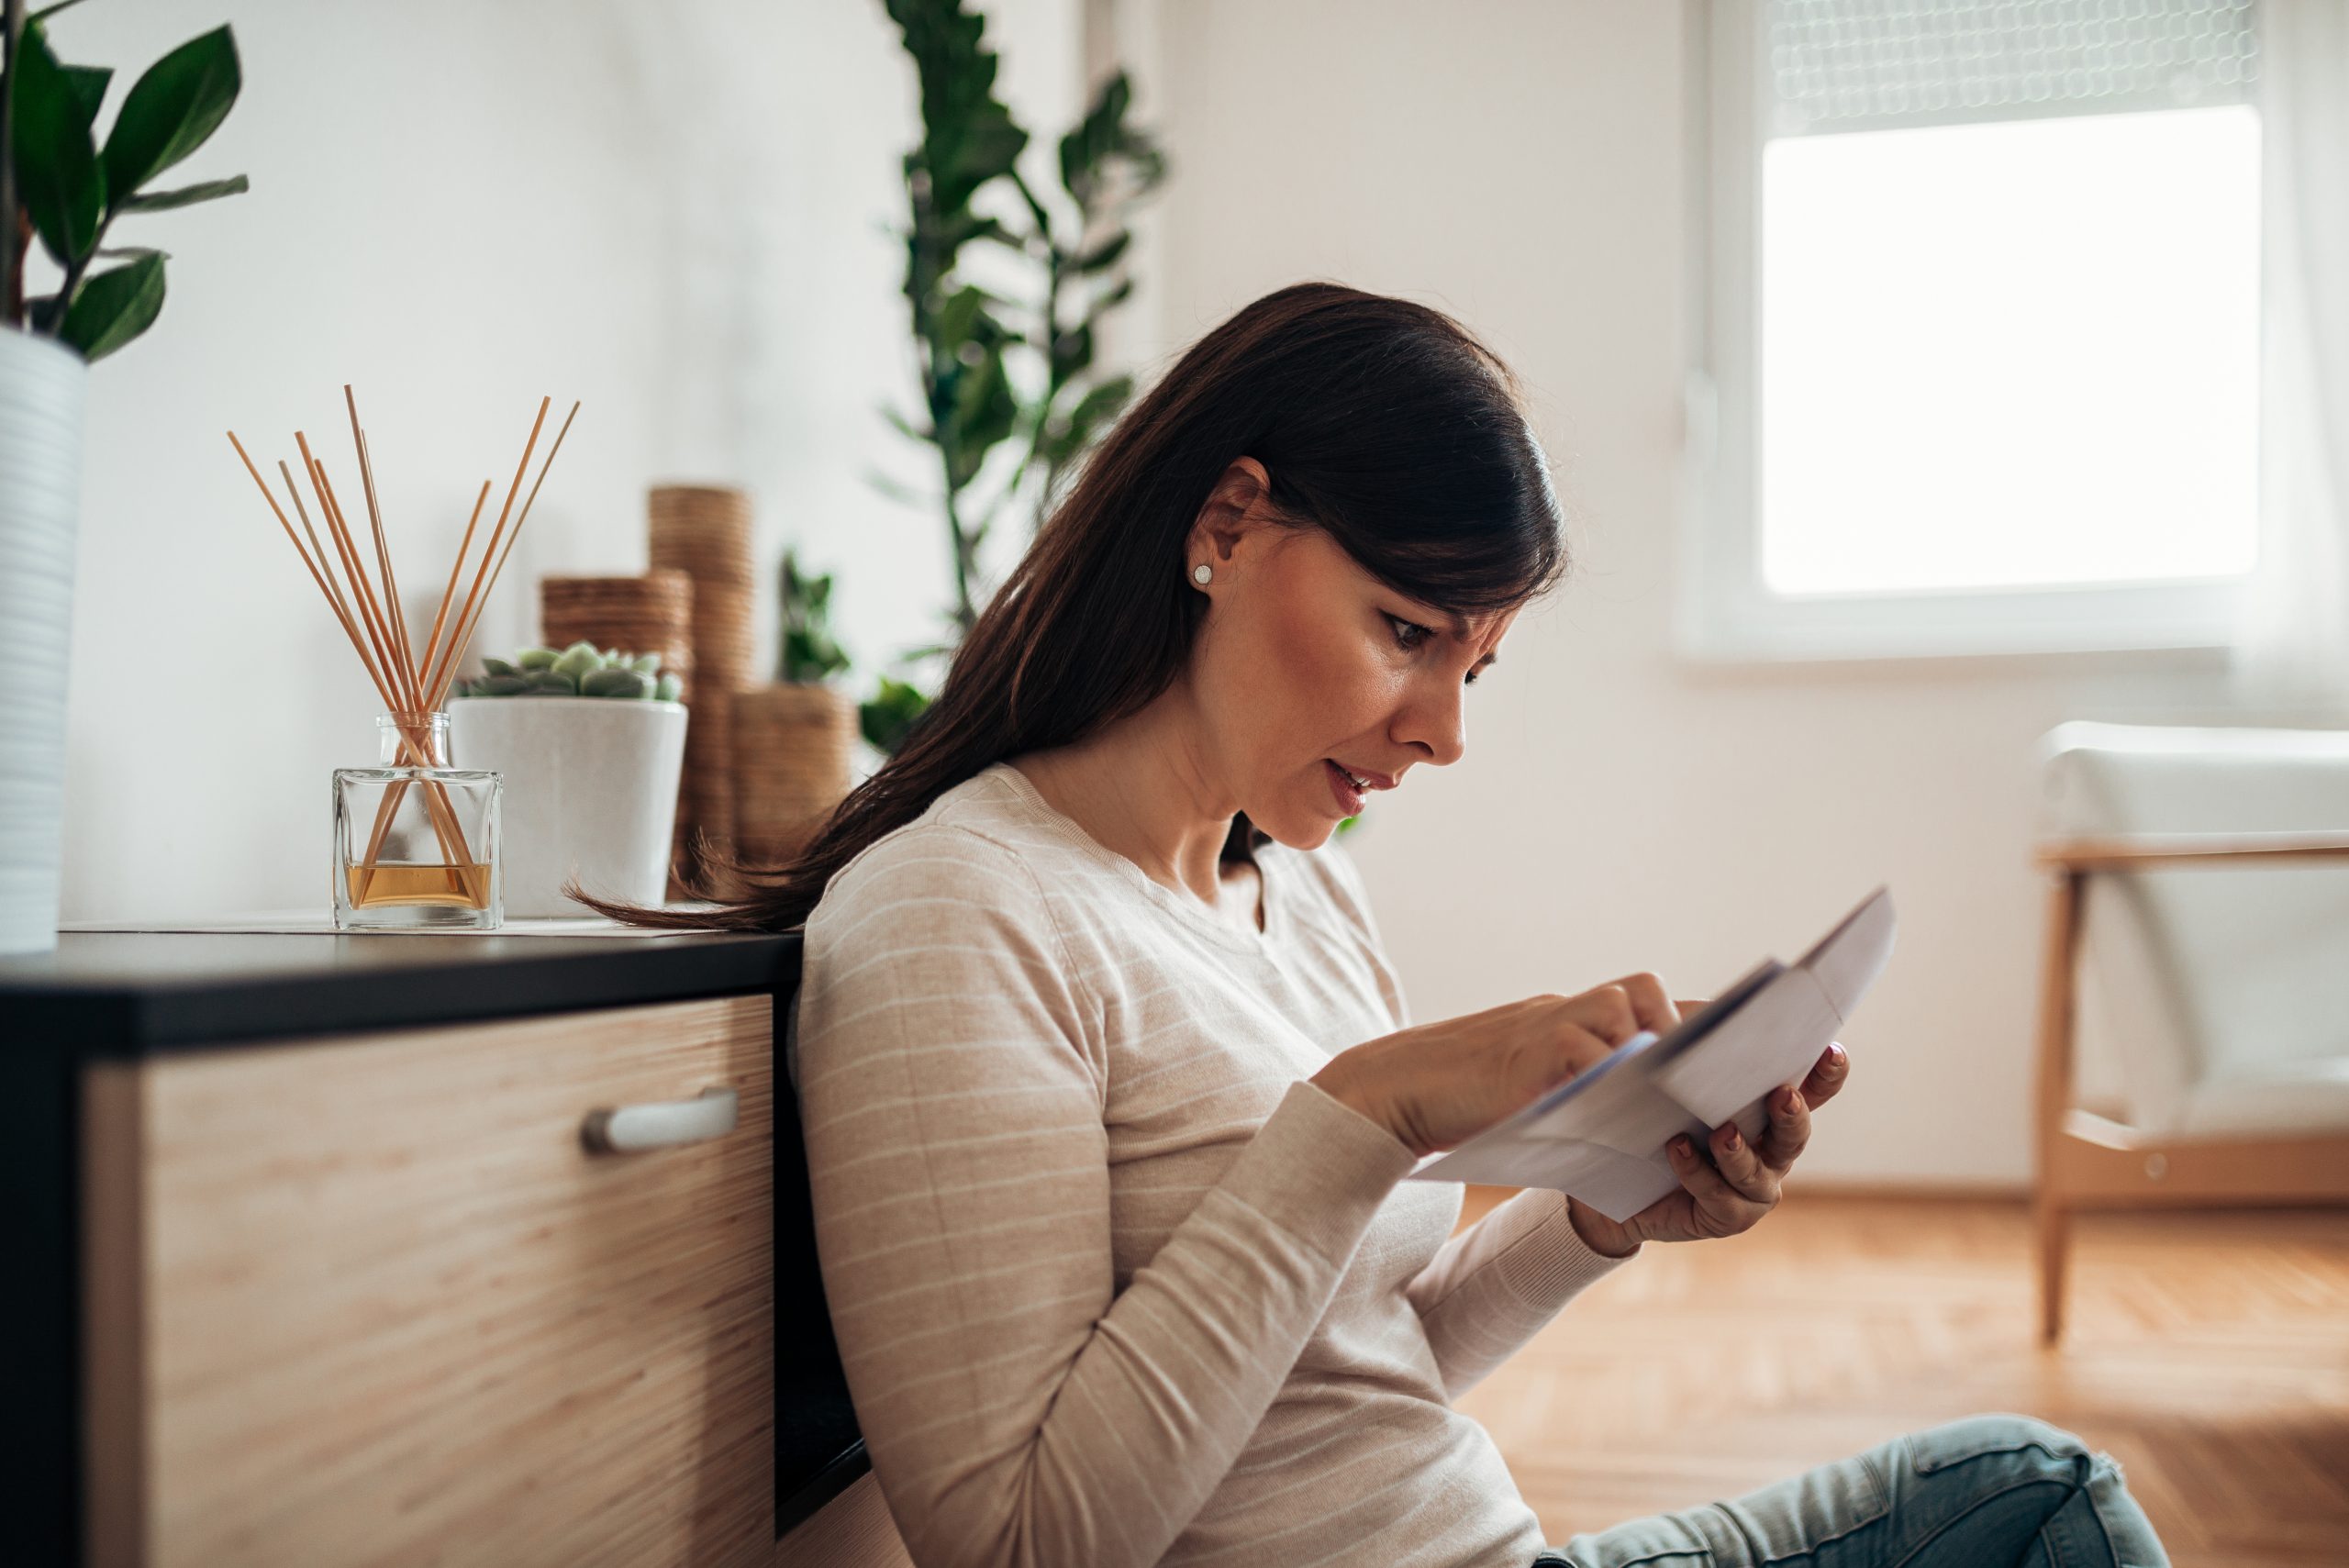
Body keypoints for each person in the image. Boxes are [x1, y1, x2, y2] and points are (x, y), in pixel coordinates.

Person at [582, 283, 2172, 1568]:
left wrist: (1604, 1213)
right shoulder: (958, 914)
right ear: (1225, 523)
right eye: (1406, 630)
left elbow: (1353, 1367)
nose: (1444, 732)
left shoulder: (1300, 882)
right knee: (2032, 1504)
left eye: (1471, 666)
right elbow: (1021, 1544)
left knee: (2026, 1489)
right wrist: (1366, 1108)